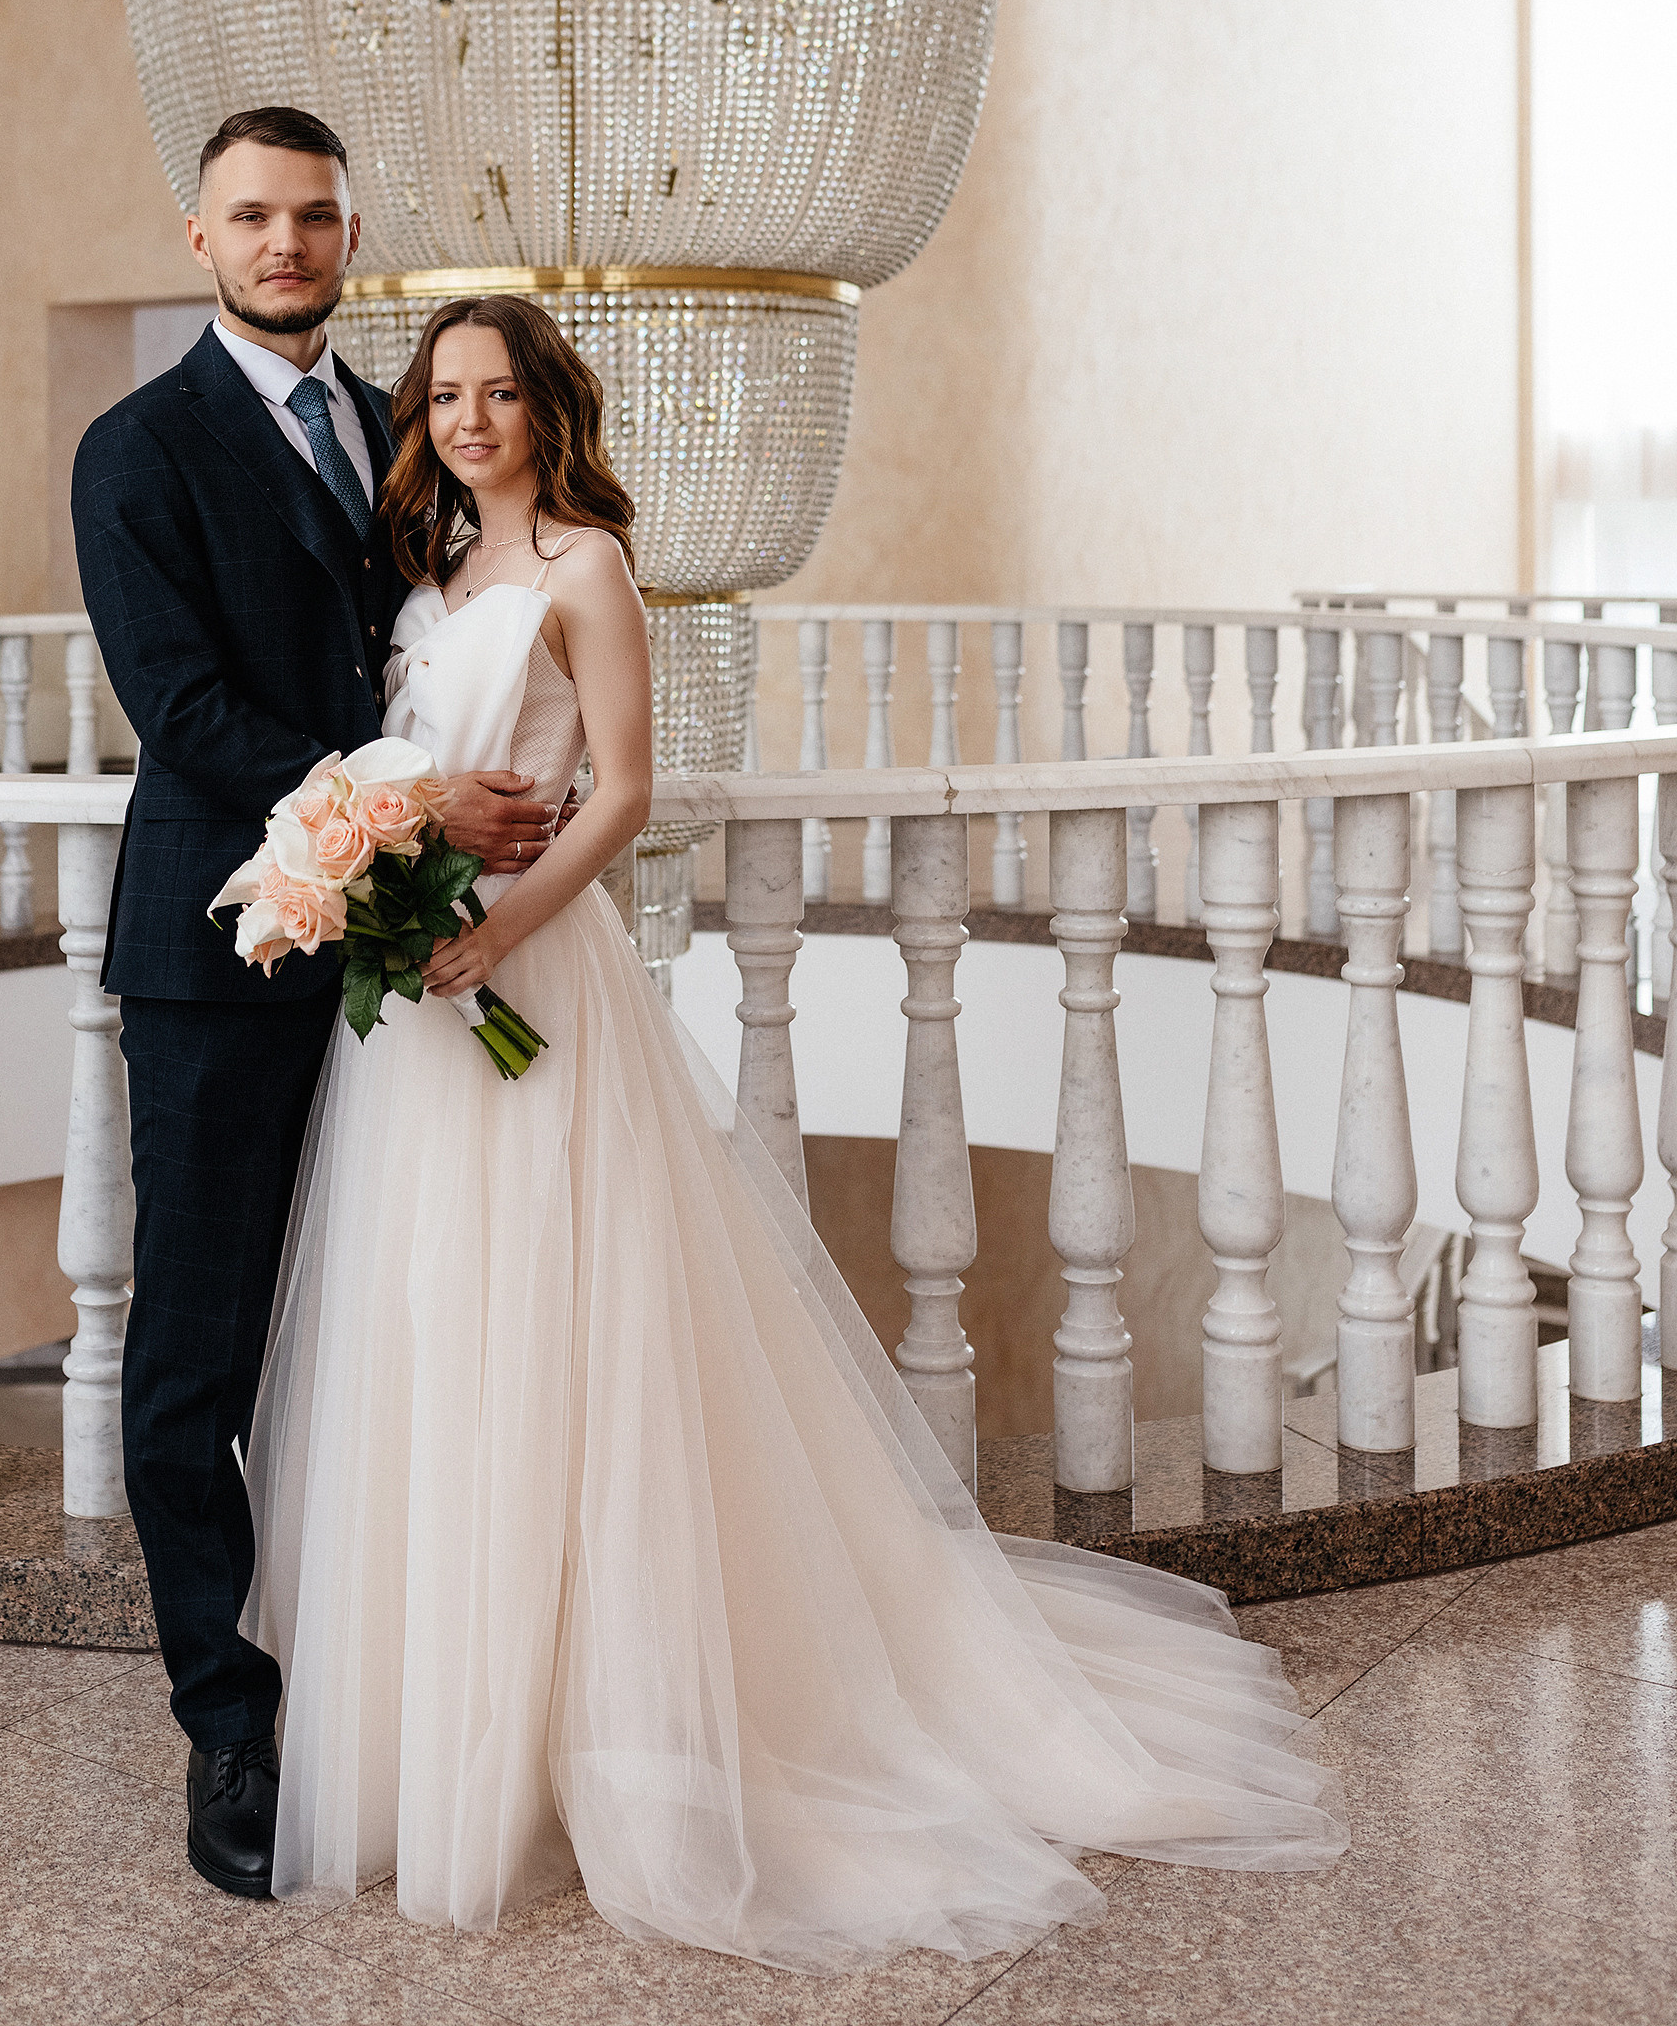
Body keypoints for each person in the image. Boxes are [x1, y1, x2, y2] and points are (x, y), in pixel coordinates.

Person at [239, 296, 1349, 1969]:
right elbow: (402, 772)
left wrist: (496, 929)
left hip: (529, 973)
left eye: (498, 393)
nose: (468, 420)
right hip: (412, 1017)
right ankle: (447, 1730)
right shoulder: (434, 573)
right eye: (444, 396)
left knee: (567, 1327)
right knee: (435, 1328)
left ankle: (610, 1721)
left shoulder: (588, 571)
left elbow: (622, 791)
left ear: (547, 408)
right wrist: (385, 873)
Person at [71, 108, 562, 1901]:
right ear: (198, 237)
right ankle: (229, 1718)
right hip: (222, 960)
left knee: (376, 1329)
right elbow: (187, 713)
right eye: (253, 216)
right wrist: (413, 806)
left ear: (352, 234)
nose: (286, 242)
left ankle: (390, 1684)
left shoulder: (401, 426)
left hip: (401, 972)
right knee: (195, 1358)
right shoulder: (135, 449)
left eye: (316, 216)